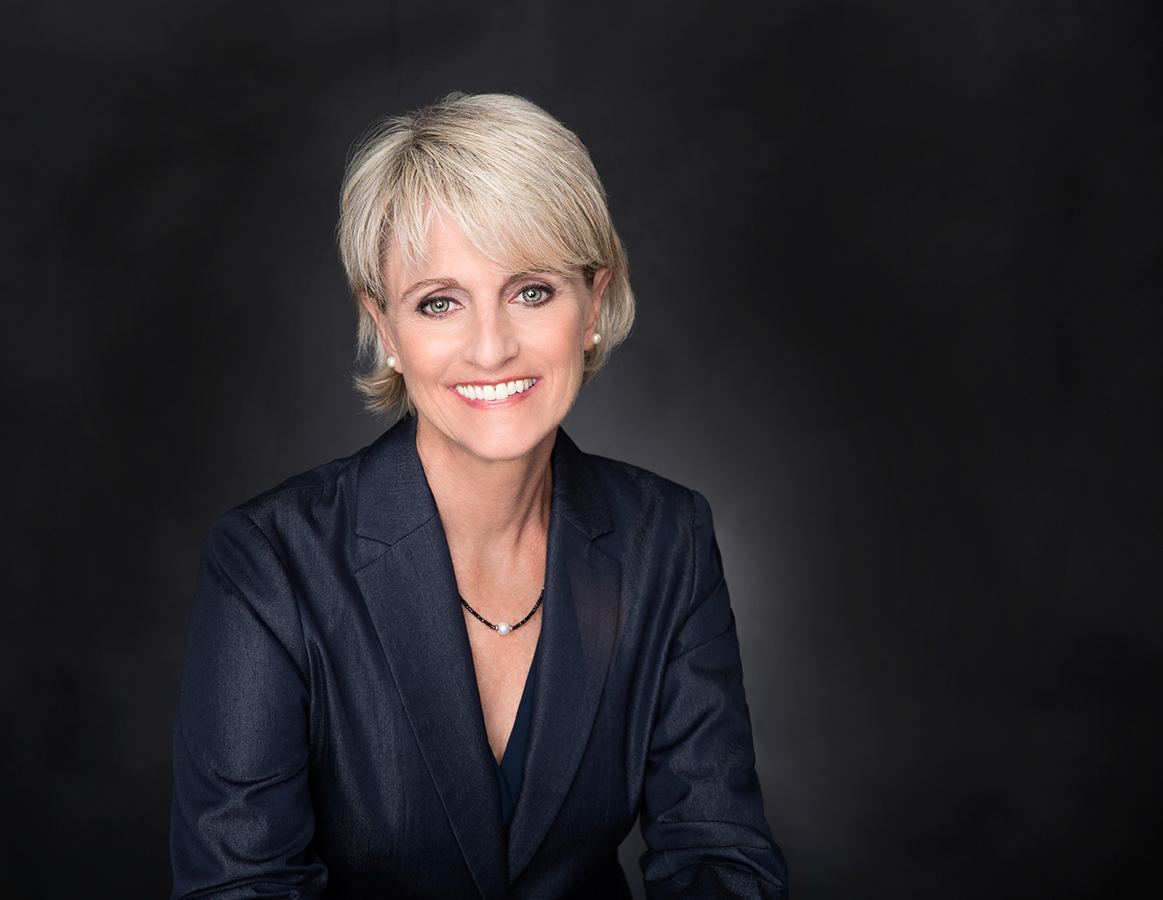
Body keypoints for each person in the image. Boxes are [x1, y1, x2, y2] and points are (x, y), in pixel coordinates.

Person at [170, 92, 788, 900]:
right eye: (440, 302)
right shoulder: (270, 563)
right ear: (386, 328)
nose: (492, 347)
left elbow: (721, 861)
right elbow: (238, 888)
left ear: (592, 304)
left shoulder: (667, 539)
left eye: (531, 290)